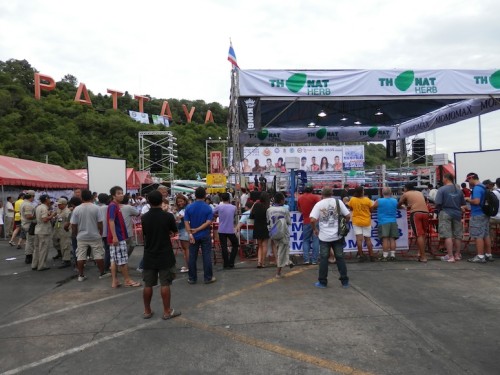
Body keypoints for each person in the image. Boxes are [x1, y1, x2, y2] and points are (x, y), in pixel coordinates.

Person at [141, 190, 181, 320]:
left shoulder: (144, 217)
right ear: (162, 200)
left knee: (148, 284)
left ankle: (147, 311)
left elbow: (145, 234)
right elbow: (174, 231)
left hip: (149, 253)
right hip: (165, 253)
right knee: (165, 283)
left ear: (148, 201)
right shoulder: (168, 216)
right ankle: (167, 311)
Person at [310, 187, 351, 288]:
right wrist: (343, 223)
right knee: (340, 257)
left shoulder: (319, 204)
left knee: (324, 258)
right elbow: (348, 215)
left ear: (322, 194)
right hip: (337, 235)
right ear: (332, 193)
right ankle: (344, 281)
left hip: (324, 236)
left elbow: (312, 219)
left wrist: (315, 229)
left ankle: (323, 282)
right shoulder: (338, 202)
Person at [107, 186, 141, 288]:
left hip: (117, 236)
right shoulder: (113, 206)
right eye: (118, 193)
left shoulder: (115, 205)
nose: (121, 195)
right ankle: (127, 280)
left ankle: (115, 281)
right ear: (113, 195)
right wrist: (115, 236)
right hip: (118, 236)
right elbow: (111, 221)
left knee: (114, 260)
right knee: (123, 260)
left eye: (122, 193)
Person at [70, 189, 107, 282]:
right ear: (91, 197)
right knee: (98, 254)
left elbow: (73, 224)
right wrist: (100, 232)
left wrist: (75, 234)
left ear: (81, 197)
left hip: (81, 236)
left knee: (80, 256)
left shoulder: (77, 209)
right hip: (95, 235)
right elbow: (100, 223)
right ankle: (102, 273)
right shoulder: (96, 208)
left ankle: (81, 275)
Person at [184, 187, 216, 284]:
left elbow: (186, 222)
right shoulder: (208, 207)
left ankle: (192, 278)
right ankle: (208, 277)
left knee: (192, 256)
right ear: (205, 195)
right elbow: (209, 222)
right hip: (205, 234)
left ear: (195, 195)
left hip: (193, 235)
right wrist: (198, 229)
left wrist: (190, 233)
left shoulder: (189, 207)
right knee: (206, 256)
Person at [434, 173, 466, 263]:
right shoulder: (459, 190)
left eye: (443, 178)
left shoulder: (442, 189)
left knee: (447, 235)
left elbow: (438, 202)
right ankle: (457, 255)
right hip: (457, 213)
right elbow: (463, 203)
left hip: (445, 212)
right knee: (458, 235)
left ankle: (450, 256)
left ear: (446, 178)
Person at [465, 173, 494, 263]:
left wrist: (468, 199)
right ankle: (488, 254)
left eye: (468, 180)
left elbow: (476, 201)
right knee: (486, 235)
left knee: (478, 236)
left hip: (477, 214)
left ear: (472, 178)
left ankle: (480, 256)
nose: (468, 183)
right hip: (485, 214)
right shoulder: (483, 187)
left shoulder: (477, 188)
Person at [398, 183, 429, 263]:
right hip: (426, 212)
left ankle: (423, 256)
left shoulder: (406, 194)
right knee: (423, 234)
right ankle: (420, 253)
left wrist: (403, 206)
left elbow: (398, 204)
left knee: (419, 235)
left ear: (406, 188)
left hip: (416, 213)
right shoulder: (419, 193)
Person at [266, 192, 292, 278]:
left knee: (280, 249)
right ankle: (278, 273)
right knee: (281, 251)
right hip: (282, 232)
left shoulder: (269, 209)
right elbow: (289, 222)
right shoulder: (285, 210)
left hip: (273, 232)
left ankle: (288, 261)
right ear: (281, 201)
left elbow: (268, 220)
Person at [348, 186, 376, 262]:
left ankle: (361, 255)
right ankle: (371, 255)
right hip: (366, 221)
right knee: (368, 239)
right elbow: (371, 209)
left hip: (356, 221)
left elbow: (350, 208)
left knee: (359, 240)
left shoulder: (353, 199)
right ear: (362, 192)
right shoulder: (367, 200)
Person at [213, 193, 239, 269]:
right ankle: (231, 262)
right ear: (229, 198)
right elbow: (234, 215)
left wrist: (217, 215)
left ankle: (226, 264)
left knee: (223, 246)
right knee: (235, 244)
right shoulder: (234, 207)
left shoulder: (219, 207)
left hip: (221, 229)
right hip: (230, 229)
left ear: (221, 199)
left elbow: (212, 213)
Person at [372, 187, 399, 261]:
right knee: (392, 239)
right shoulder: (394, 201)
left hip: (383, 222)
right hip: (393, 221)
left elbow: (372, 207)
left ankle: (385, 256)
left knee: (385, 239)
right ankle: (393, 255)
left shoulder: (379, 201)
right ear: (390, 193)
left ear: (382, 193)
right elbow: (400, 207)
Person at [297, 184, 320, 265]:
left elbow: (299, 210)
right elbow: (320, 208)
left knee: (306, 240)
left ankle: (306, 259)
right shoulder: (316, 197)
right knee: (316, 240)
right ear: (312, 190)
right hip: (315, 220)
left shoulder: (300, 198)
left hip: (306, 220)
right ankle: (314, 260)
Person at [32, 194, 56, 271]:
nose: (50, 200)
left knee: (36, 249)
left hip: (38, 229)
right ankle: (41, 265)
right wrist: (52, 215)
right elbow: (45, 219)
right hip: (44, 230)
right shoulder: (44, 208)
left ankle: (34, 264)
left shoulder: (38, 207)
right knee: (43, 249)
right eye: (49, 199)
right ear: (46, 199)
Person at [250, 192, 270, 268]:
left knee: (260, 246)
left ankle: (259, 262)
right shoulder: (267, 207)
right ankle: (263, 262)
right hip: (265, 227)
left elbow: (251, 216)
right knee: (265, 245)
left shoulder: (256, 205)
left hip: (257, 226)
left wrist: (254, 204)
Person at [53, 198, 72, 268]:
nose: (58, 206)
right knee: (56, 242)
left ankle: (67, 260)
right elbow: (60, 220)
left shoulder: (67, 212)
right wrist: (57, 227)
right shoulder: (60, 211)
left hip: (65, 231)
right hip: (59, 230)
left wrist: (67, 228)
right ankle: (60, 254)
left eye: (60, 204)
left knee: (65, 245)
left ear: (64, 204)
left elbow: (69, 221)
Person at [174, 194, 190, 273]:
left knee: (186, 249)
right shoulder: (182, 209)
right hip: (182, 229)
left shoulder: (185, 209)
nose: (180, 203)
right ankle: (188, 265)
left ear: (185, 201)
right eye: (178, 202)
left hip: (184, 229)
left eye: (181, 201)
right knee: (185, 249)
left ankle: (188, 266)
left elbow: (181, 218)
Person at [20, 191, 36, 264]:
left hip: (26, 224)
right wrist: (37, 216)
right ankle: (29, 257)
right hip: (29, 225)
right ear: (31, 196)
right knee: (31, 242)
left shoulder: (23, 203)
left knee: (29, 241)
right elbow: (28, 216)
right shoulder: (28, 205)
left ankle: (29, 256)